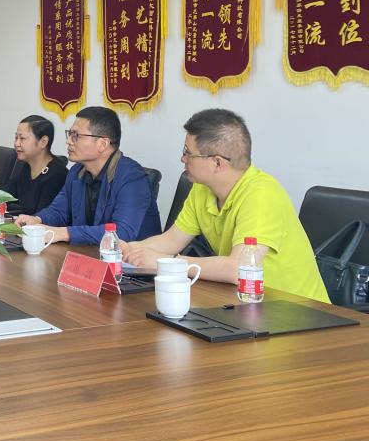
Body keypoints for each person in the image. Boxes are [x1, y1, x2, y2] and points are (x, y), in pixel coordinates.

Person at [122, 109, 330, 302]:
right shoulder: (202, 189)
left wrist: (166, 262)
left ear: (217, 163)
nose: (182, 159)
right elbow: (171, 240)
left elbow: (238, 268)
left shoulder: (261, 193)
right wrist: (128, 249)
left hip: (298, 311)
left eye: (188, 153)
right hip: (246, 304)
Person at [17, 106, 161, 244]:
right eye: (69, 134)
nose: (68, 141)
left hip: (131, 258)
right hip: (88, 253)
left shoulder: (132, 178)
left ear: (102, 144)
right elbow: (59, 211)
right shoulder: (76, 172)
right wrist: (37, 219)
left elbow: (122, 232)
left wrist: (64, 233)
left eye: (76, 136)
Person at [6, 115, 68, 217]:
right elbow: (5, 195)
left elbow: (45, 217)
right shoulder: (26, 167)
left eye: (22, 138)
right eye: (16, 137)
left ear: (43, 142)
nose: (16, 143)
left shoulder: (57, 175)